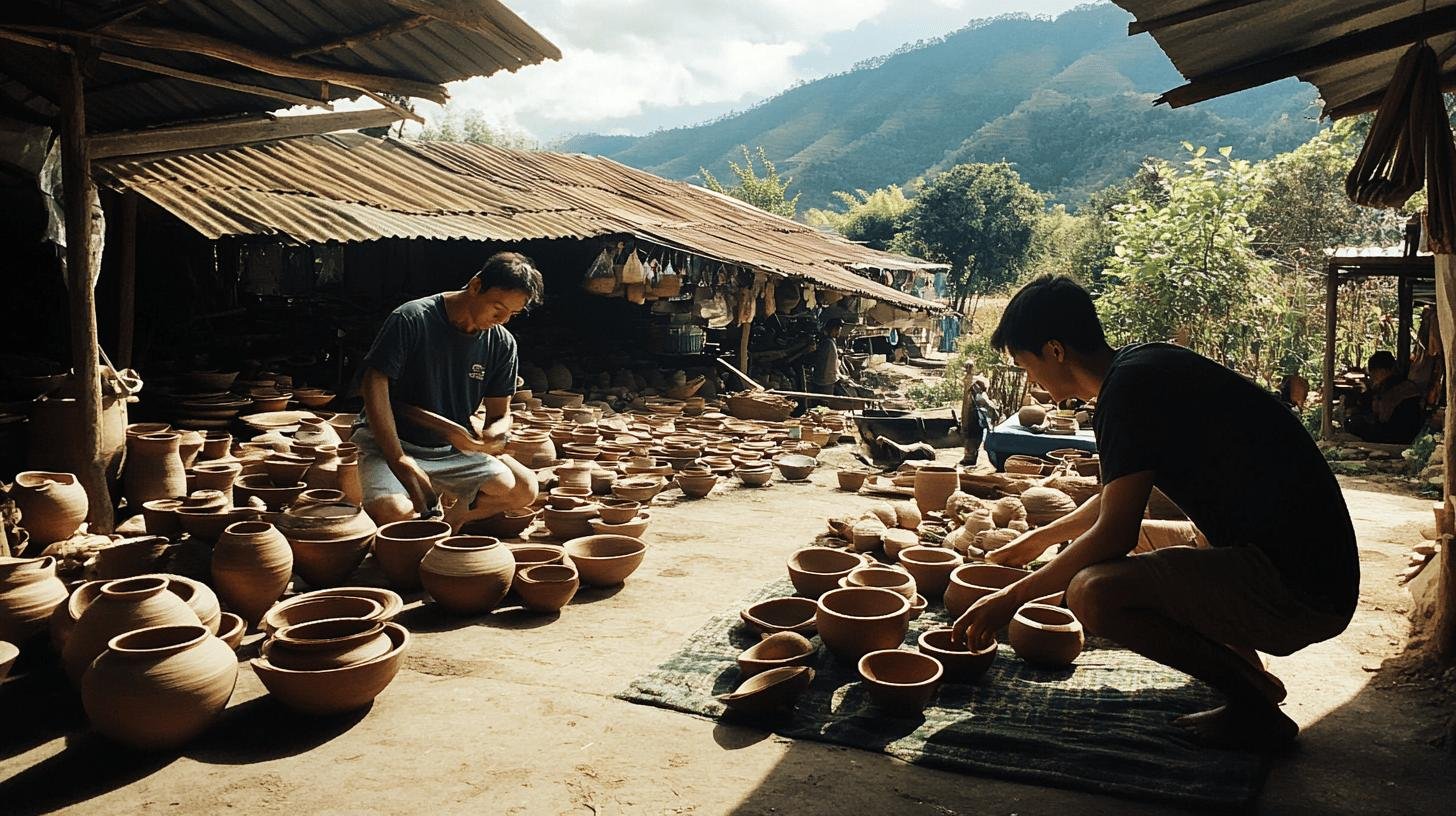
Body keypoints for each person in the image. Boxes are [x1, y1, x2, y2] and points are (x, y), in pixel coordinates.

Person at [952, 275, 1357, 750]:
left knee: (1093, 592)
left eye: (1027, 365)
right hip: (1303, 564)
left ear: (1055, 350)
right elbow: (1115, 500)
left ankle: (1254, 703)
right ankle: (1246, 671)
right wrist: (1039, 539)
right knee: (1135, 545)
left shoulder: (1126, 394)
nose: (1031, 380)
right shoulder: (1139, 370)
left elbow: (1112, 536)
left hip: (1301, 591)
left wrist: (1010, 599)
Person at [354, 252, 543, 530]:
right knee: (393, 511)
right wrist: (400, 459)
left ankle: (451, 521)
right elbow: (372, 385)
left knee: (521, 489)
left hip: (450, 449)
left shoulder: (502, 343)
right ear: (476, 285)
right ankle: (418, 516)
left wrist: (494, 434)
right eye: (497, 308)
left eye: (512, 315)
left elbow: (500, 413)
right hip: (391, 442)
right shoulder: (412, 318)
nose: (502, 320)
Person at [1346, 351, 1423, 443]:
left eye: (1374, 373)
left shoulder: (1394, 385)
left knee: (1355, 424)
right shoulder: (1392, 383)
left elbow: (1380, 414)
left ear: (1382, 371)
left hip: (1396, 434)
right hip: (1396, 431)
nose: (1372, 377)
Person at [808, 317, 844, 394]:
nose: (839, 333)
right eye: (838, 330)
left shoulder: (829, 341)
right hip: (825, 380)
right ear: (833, 329)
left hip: (825, 379)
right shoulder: (828, 343)